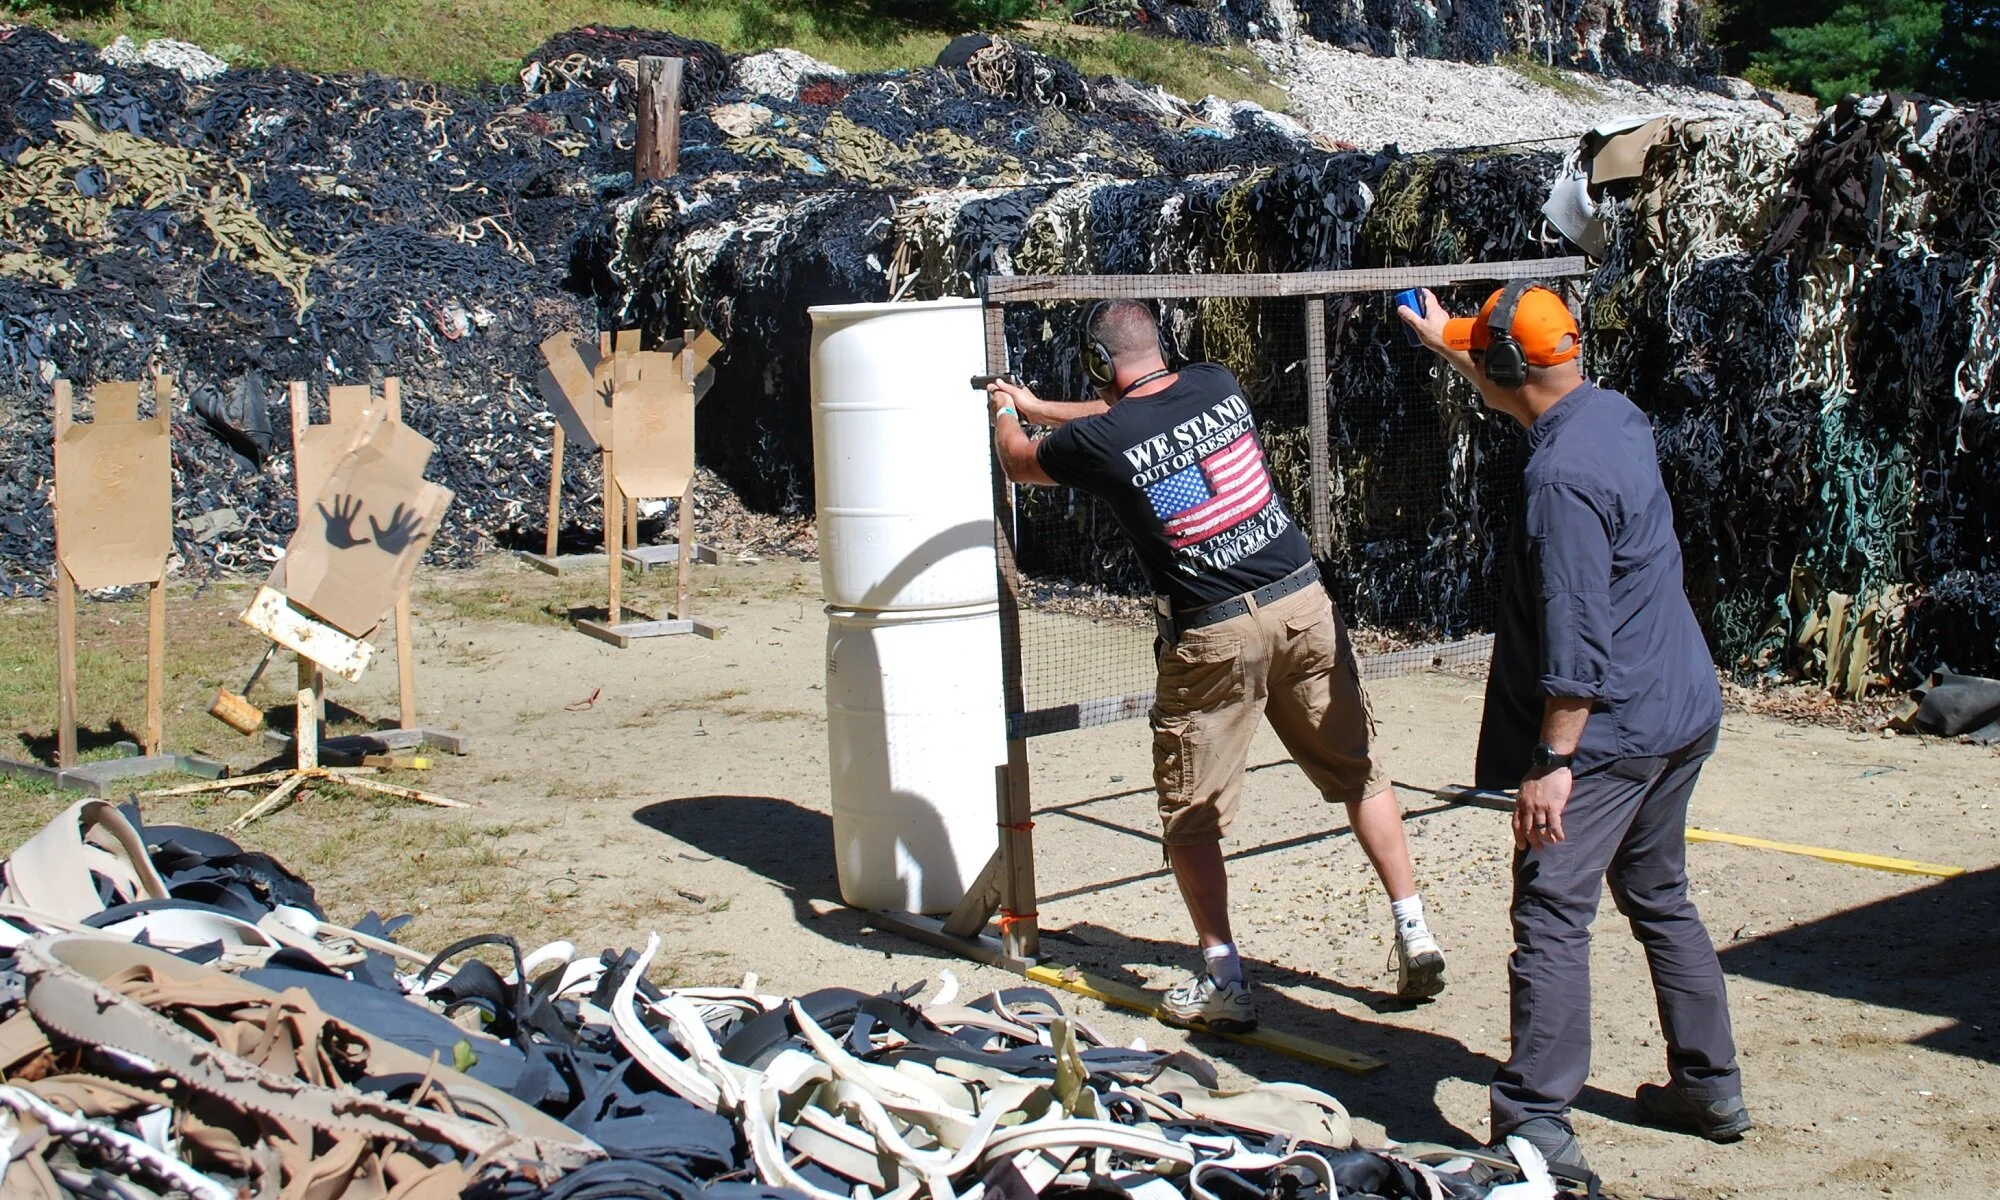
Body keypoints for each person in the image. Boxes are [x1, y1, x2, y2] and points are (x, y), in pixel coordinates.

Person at [984, 299, 1446, 1033]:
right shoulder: (1216, 382)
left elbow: (1021, 459)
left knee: (1191, 816)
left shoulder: (1105, 439)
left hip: (1214, 636)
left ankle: (1226, 982)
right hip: (1302, 606)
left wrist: (1010, 413)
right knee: (1360, 770)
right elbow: (1125, 417)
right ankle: (1414, 928)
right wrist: (1042, 403)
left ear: (1101, 367)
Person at [1399, 283, 1750, 1180]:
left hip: (1610, 729)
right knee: (1659, 891)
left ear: (1512, 367)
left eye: (1487, 353)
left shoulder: (1558, 482)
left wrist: (1553, 761)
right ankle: (1710, 1086)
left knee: (1553, 912)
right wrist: (1449, 338)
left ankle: (1536, 1123)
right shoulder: (1614, 415)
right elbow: (1518, 383)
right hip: (1680, 705)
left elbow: (1575, 635)